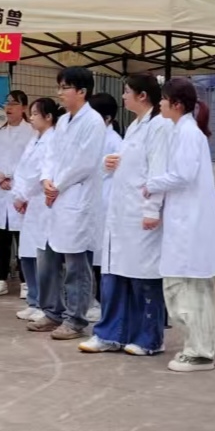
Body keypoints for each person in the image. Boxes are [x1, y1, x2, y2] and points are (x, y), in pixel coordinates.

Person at [80, 74, 172, 356]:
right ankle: (111, 334)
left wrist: (152, 210)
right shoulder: (134, 126)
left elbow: (158, 170)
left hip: (141, 215)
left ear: (142, 96)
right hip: (121, 214)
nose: (123, 97)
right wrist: (111, 163)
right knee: (116, 275)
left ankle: (149, 338)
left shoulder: (159, 126)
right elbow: (133, 164)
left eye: (127, 92)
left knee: (144, 278)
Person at [143, 77, 215, 372]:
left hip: (188, 224)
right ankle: (207, 346)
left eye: (163, 99)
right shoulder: (185, 131)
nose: (160, 103)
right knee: (196, 289)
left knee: (182, 289)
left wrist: (151, 184)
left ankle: (199, 352)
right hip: (187, 221)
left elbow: (183, 174)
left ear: (177, 104)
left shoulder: (187, 134)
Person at [29, 68, 105, 341]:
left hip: (76, 199)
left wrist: (58, 185)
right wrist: (46, 180)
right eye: (59, 87)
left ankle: (75, 319)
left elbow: (84, 163)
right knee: (47, 261)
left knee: (75, 265)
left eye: (65, 87)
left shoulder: (93, 122)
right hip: (56, 199)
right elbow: (50, 155)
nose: (59, 92)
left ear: (82, 91)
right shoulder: (62, 122)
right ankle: (52, 312)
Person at [13, 98, 62, 322]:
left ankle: (45, 303)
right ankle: (33, 300)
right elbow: (22, 168)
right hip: (30, 202)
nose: (31, 117)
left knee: (43, 257)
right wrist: (19, 194)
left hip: (43, 202)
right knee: (27, 254)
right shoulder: (35, 139)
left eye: (34, 113)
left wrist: (22, 195)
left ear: (48, 117)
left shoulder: (53, 139)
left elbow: (39, 173)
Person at [0, 90, 33, 298]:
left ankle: (26, 282)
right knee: (1, 239)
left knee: (23, 241)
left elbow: (32, 161)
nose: (9, 107)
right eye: (7, 103)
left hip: (20, 189)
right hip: (0, 188)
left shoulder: (31, 132)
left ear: (24, 108)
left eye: (14, 103)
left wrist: (13, 178)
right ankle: (0, 279)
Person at [87, 91, 124, 322]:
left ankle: (102, 303)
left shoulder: (114, 141)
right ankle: (94, 301)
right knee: (93, 256)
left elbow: (101, 170)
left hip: (106, 202)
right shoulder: (95, 137)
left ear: (107, 118)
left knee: (103, 258)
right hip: (93, 201)